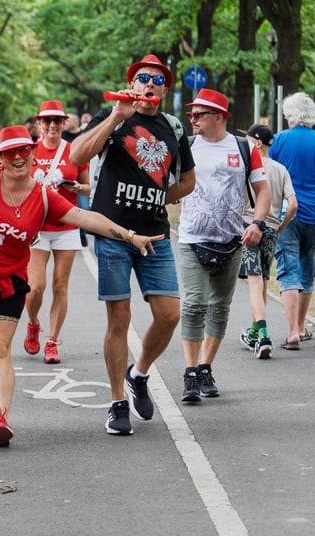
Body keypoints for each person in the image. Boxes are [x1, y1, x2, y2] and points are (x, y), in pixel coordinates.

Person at [0, 112, 164, 448]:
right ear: (0, 156)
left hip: (7, 280)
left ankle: (0, 417)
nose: (18, 157)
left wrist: (130, 236)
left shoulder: (42, 197)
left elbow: (86, 217)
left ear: (31, 152)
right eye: (10, 152)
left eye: (23, 150)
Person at [70, 54, 197, 436]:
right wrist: (115, 117)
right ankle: (116, 403)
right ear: (132, 82)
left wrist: (160, 195)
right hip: (111, 232)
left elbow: (188, 181)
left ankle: (138, 374)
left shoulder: (173, 128)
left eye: (157, 80)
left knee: (170, 314)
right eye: (143, 78)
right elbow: (76, 155)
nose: (150, 84)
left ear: (165, 89)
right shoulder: (112, 117)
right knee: (119, 319)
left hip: (155, 234)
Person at [176, 89, 271, 403]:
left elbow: (262, 189)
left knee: (219, 308)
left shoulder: (243, 148)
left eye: (199, 114)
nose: (193, 119)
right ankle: (190, 372)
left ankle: (205, 367)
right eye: (191, 114)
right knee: (194, 304)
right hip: (191, 238)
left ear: (219, 115)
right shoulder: (187, 146)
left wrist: (257, 223)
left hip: (231, 241)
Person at [268, 92, 315, 350]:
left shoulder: (277, 141)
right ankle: (301, 326)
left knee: (288, 271)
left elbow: (268, 178)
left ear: (289, 114)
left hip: (286, 216)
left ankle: (291, 333)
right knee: (307, 272)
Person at [23, 100, 91, 364]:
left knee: (61, 285)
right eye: (47, 121)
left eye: (57, 121)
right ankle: (32, 324)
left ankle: (52, 341)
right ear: (39, 123)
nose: (52, 125)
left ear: (64, 123)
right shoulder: (29, 151)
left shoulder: (75, 151)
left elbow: (88, 187)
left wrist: (75, 188)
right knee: (35, 286)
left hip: (67, 225)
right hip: (38, 226)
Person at [237, 124, 297, 359]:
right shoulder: (281, 169)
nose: (246, 144)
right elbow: (293, 204)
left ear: (258, 143)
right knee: (261, 280)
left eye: (249, 140)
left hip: (249, 226)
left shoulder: (249, 167)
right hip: (272, 228)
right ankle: (254, 331)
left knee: (253, 281)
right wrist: (281, 226)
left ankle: (262, 333)